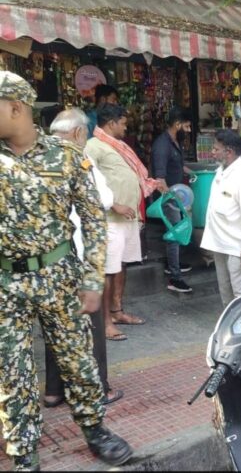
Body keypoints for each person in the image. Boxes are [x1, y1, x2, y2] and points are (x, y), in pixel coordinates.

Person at [0, 71, 132, 471]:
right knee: (13, 374)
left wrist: (93, 280)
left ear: (15, 107)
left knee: (78, 361)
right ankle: (24, 455)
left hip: (60, 276)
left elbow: (94, 220)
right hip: (6, 282)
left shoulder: (68, 157)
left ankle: (95, 431)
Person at [44, 109, 124, 410]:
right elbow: (102, 198)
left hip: (48, 260)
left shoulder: (33, 160)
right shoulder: (78, 158)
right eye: (86, 132)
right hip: (78, 256)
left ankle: (53, 390)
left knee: (54, 323)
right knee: (91, 323)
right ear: (78, 133)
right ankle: (99, 388)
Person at [86, 104, 164, 342]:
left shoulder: (118, 145)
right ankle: (106, 323)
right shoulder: (93, 146)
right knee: (109, 270)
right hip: (110, 219)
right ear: (111, 123)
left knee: (122, 265)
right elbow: (87, 183)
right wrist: (113, 204)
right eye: (123, 123)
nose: (126, 126)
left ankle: (117, 311)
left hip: (129, 217)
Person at [201, 129, 241, 306]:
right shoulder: (221, 170)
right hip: (220, 243)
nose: (212, 152)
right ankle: (230, 328)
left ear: (228, 152)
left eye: (215, 149)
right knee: (225, 291)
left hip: (238, 245)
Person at [151, 106, 193, 293]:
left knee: (177, 233)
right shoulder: (162, 145)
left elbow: (177, 164)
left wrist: (192, 172)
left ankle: (172, 263)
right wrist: (171, 198)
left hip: (176, 196)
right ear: (177, 124)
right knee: (174, 235)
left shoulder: (174, 141)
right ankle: (175, 278)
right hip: (168, 197)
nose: (189, 130)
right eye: (187, 126)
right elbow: (160, 179)